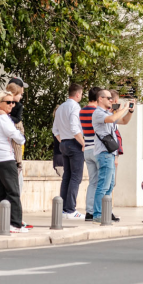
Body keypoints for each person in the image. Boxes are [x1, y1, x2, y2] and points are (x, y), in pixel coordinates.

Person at [0, 90, 29, 232]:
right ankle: (15, 224)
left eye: (13, 102)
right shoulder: (3, 118)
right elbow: (14, 134)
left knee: (0, 192)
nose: (12, 105)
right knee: (13, 191)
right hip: (5, 158)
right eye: (8, 102)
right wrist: (22, 138)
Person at [90, 88, 131, 222]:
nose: (111, 100)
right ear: (100, 99)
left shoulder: (106, 113)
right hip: (104, 153)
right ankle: (97, 214)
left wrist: (130, 111)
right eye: (108, 98)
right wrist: (124, 108)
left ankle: (106, 212)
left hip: (110, 154)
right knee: (103, 185)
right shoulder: (98, 113)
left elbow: (124, 121)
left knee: (110, 184)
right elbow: (113, 118)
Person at [52, 83, 85, 218]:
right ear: (77, 94)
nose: (81, 96)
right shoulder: (75, 107)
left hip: (64, 143)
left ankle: (63, 208)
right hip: (74, 143)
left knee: (67, 176)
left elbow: (55, 130)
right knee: (76, 177)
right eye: (81, 94)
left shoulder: (60, 108)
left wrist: (63, 141)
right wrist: (83, 143)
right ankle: (70, 209)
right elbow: (74, 128)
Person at [81, 87, 102, 221]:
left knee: (92, 182)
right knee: (103, 182)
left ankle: (89, 211)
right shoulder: (97, 112)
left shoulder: (81, 111)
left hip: (87, 148)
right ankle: (100, 211)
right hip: (97, 148)